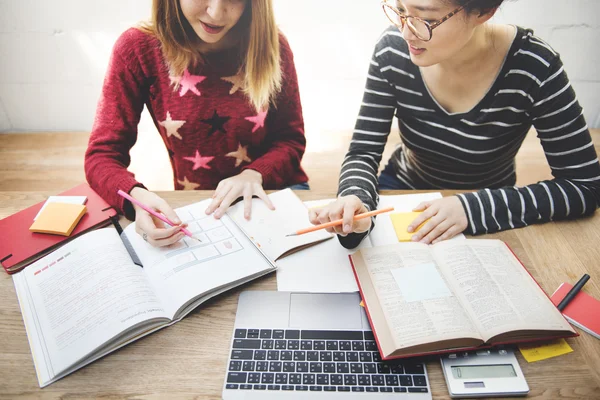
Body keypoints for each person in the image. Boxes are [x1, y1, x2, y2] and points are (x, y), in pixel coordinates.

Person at [310, 0, 600, 249]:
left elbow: (585, 186)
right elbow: (363, 152)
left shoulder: (535, 66)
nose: (405, 30)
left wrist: (471, 208)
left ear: (484, 12)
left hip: (489, 205)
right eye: (400, 9)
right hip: (403, 194)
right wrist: (355, 201)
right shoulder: (392, 52)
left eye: (426, 18)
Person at [85, 0, 308, 247]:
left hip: (274, 191)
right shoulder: (138, 48)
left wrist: (254, 174)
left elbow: (291, 140)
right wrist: (136, 199)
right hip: (200, 205)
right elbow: (101, 156)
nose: (216, 13)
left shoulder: (273, 45)